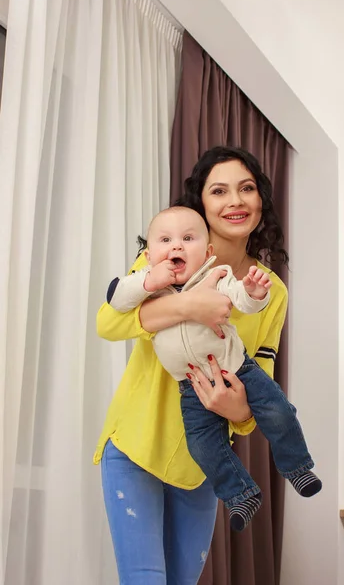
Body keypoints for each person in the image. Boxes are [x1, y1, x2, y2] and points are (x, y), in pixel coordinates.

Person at [94, 146, 303, 584]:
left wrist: (240, 413)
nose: (235, 201)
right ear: (202, 204)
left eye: (246, 189)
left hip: (201, 464)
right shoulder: (164, 260)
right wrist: (191, 304)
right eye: (219, 191)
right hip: (137, 444)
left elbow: (259, 386)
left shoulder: (271, 291)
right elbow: (110, 323)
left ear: (261, 200)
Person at [107, 205, 321, 533]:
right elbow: (116, 301)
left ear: (207, 251)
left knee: (279, 411)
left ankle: (297, 466)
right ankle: (240, 493)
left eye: (188, 239)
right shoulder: (145, 287)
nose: (176, 246)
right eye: (166, 240)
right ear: (149, 255)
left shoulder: (215, 276)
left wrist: (254, 293)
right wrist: (150, 281)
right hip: (191, 386)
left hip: (238, 370)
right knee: (203, 445)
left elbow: (242, 301)